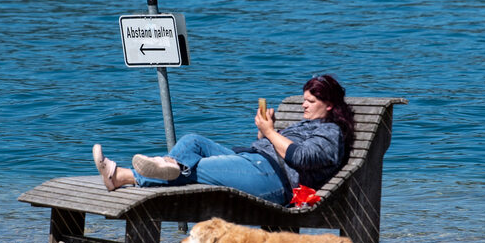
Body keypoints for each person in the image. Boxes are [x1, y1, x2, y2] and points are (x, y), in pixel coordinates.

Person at [92, 74, 356, 206]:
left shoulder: (330, 133)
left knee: (194, 168)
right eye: (303, 100)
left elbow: (302, 157)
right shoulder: (308, 123)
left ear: (330, 105)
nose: (303, 106)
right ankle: (168, 165)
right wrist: (266, 131)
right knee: (193, 142)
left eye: (310, 101)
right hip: (254, 162)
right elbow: (274, 146)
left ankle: (124, 175)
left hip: (274, 180)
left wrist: (271, 132)